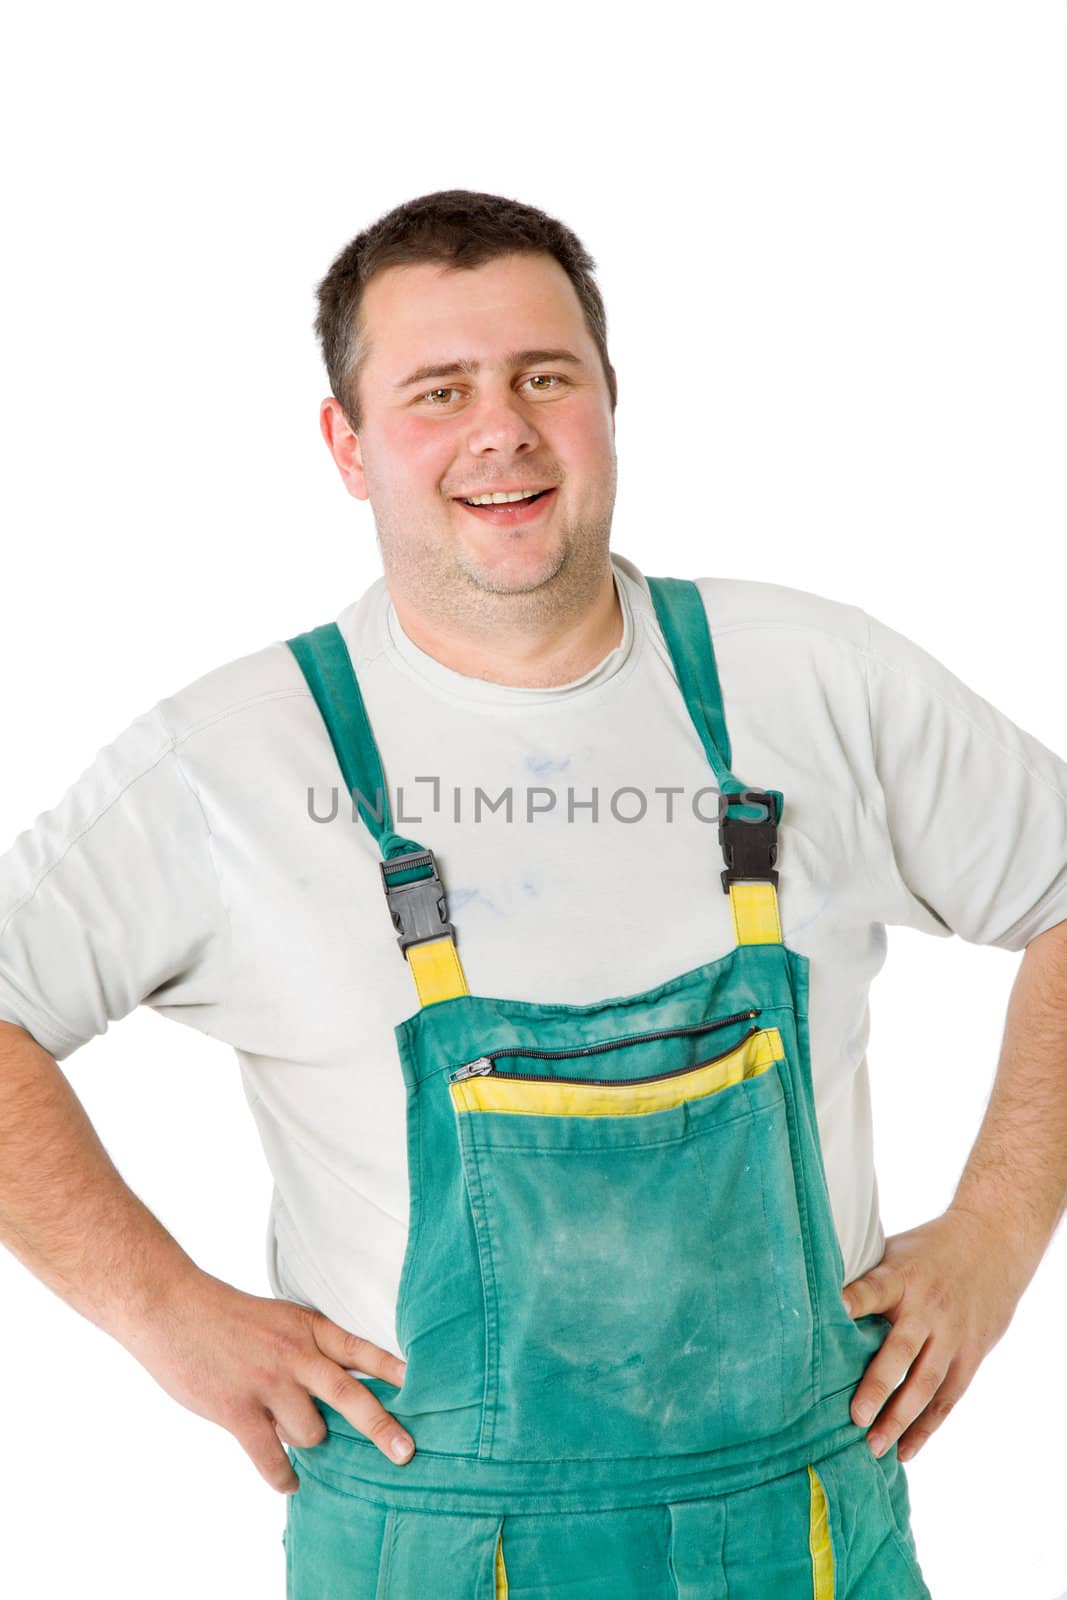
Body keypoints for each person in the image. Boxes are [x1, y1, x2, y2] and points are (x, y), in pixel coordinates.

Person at [0, 188, 1064, 1598]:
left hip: (808, 1528)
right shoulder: (227, 760)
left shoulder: (814, 677)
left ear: (608, 402)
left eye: (542, 378)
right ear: (349, 444)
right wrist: (163, 1313)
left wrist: (998, 1232)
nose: (500, 428)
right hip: (428, 1545)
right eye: (437, 392)